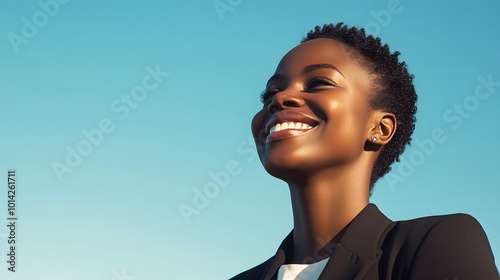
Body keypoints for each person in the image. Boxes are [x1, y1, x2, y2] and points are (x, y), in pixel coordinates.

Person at [230, 23, 499, 280]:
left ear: (380, 128)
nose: (279, 98)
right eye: (270, 92)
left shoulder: (434, 243)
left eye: (319, 83)